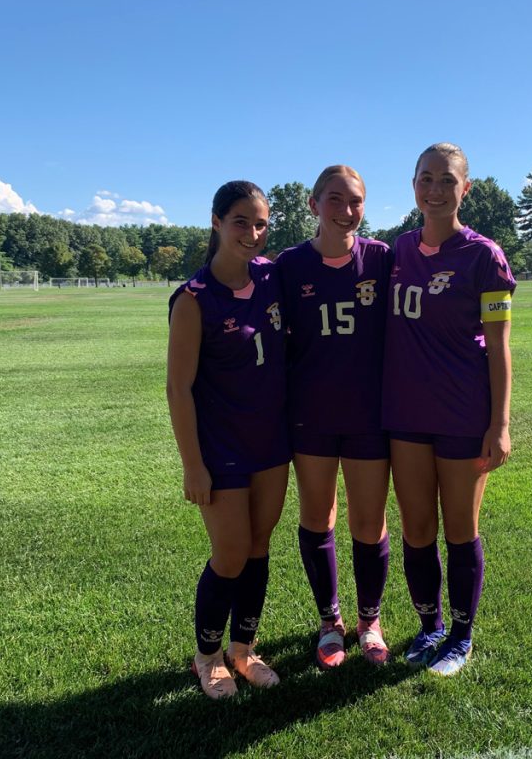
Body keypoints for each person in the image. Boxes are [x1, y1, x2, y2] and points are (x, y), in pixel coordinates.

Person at [382, 143, 516, 676]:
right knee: (417, 528)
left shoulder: (485, 256)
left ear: (466, 188)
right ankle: (430, 626)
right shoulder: (398, 250)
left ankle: (461, 637)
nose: (435, 190)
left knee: (460, 528)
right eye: (426, 178)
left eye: (447, 180)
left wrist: (500, 425)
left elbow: (500, 348)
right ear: (413, 184)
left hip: (463, 413)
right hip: (406, 414)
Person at [166, 181, 291, 699]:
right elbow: (178, 388)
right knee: (232, 552)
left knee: (258, 546)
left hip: (271, 442)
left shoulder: (271, 277)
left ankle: (243, 650)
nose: (253, 233)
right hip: (221, 447)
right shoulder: (194, 299)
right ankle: (207, 657)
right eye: (242, 221)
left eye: (261, 224)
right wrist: (192, 465)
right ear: (216, 222)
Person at [275, 166, 394, 669]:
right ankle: (330, 622)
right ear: (313, 204)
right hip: (311, 414)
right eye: (335, 200)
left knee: (369, 520)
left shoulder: (382, 258)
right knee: (317, 515)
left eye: (356, 201)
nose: (346, 211)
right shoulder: (289, 265)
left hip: (368, 414)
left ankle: (370, 621)